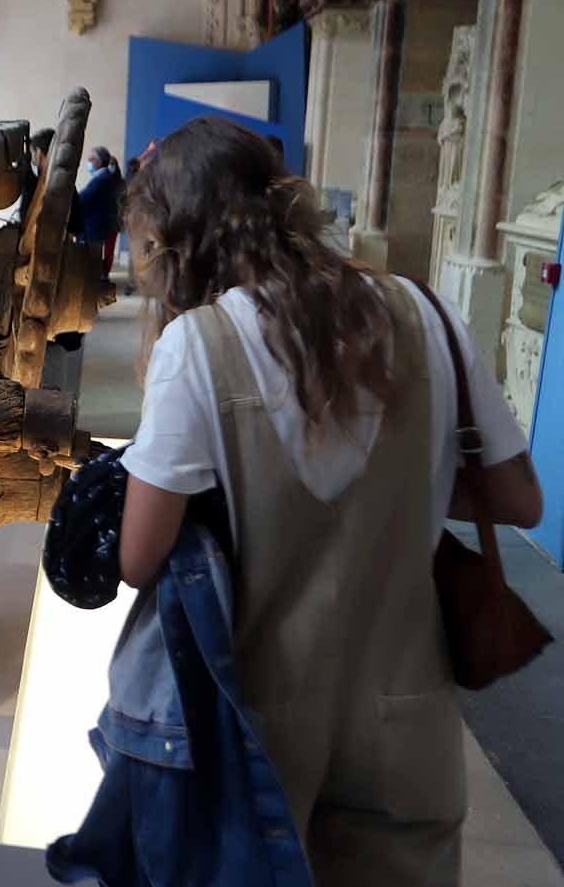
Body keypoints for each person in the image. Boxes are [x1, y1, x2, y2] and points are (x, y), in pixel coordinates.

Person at [116, 116, 543, 885]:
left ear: (180, 239)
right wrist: (398, 471)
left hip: (255, 733)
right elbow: (519, 499)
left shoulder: (199, 347)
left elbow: (138, 555)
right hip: (407, 725)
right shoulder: (429, 313)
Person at [76, 146, 125, 276]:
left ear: (99, 161)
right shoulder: (106, 177)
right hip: (101, 227)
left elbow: (82, 200)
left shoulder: (101, 180)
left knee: (91, 267)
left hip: (94, 230)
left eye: (91, 159)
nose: (88, 161)